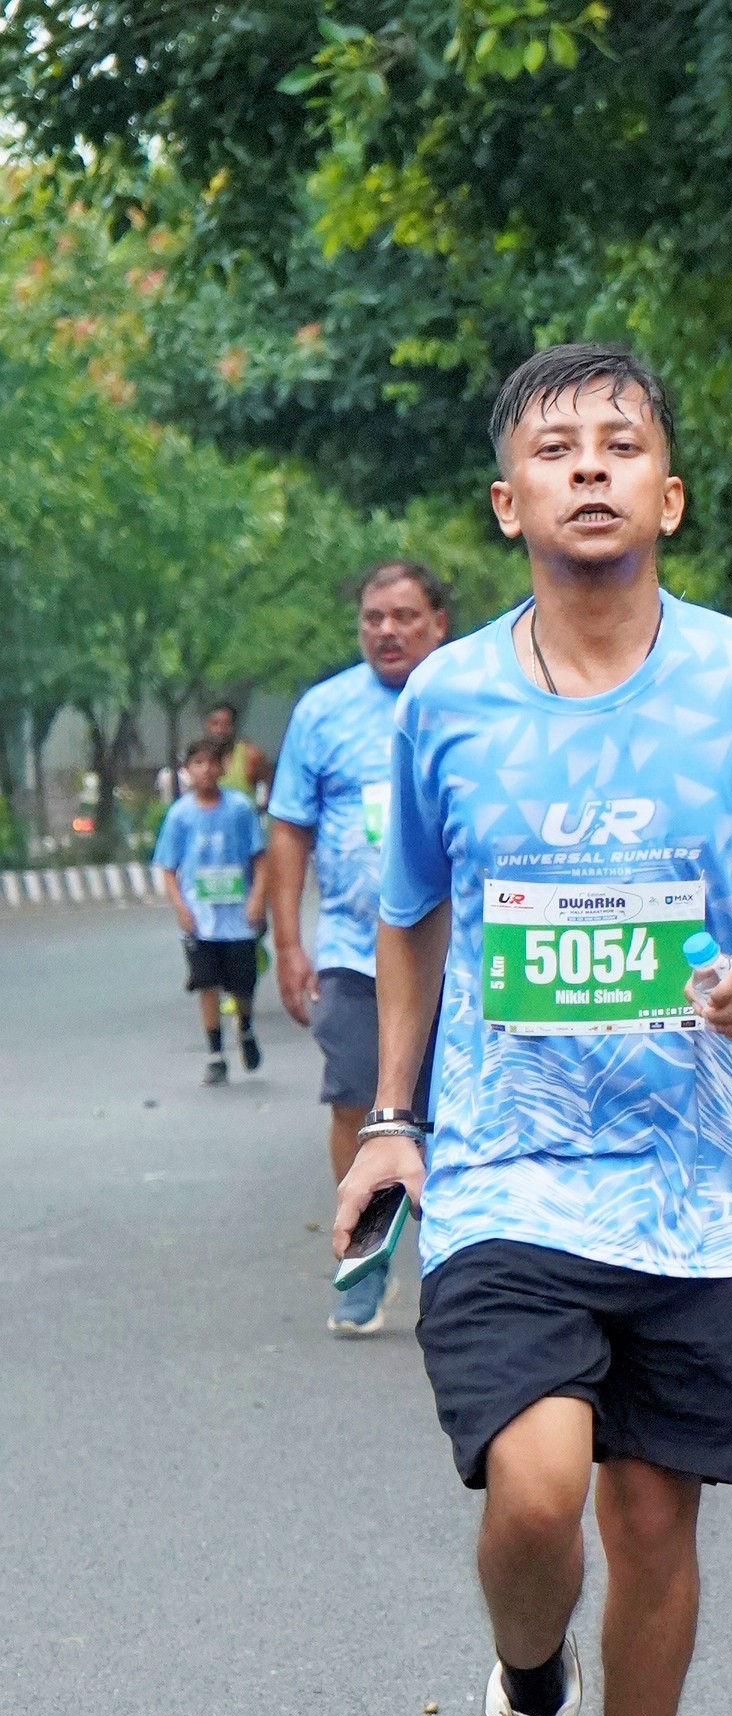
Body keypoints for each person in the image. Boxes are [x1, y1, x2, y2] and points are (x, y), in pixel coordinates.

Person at [333, 342, 732, 1716]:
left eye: (621, 445)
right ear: (509, 505)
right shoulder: (448, 703)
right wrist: (394, 1121)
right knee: (539, 1485)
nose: (589, 468)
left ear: (668, 496)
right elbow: (410, 918)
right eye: (555, 450)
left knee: (650, 1522)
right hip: (510, 1174)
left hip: (699, 1186)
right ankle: (527, 1701)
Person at [267, 562, 451, 1336]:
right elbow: (289, 826)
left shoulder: (469, 694)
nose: (387, 631)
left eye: (404, 616)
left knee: (456, 1109)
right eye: (373, 618)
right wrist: (287, 942)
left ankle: (458, 1270)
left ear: (438, 623)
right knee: (356, 1100)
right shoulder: (323, 710)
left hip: (464, 954)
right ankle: (365, 1261)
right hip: (353, 949)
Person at [152, 738, 266, 1085]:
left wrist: (257, 899)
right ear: (188, 771)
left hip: (238, 917)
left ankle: (245, 1027)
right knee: (207, 984)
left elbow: (260, 860)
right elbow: (168, 868)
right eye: (197, 763)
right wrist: (181, 908)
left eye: (211, 762)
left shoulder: (240, 809)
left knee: (242, 986)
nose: (205, 770)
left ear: (222, 768)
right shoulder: (180, 815)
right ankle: (216, 1054)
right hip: (200, 919)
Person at [203, 702, 274, 810]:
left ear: (234, 726)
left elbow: (269, 783)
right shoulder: (199, 758)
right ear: (207, 725)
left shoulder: (250, 755)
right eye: (215, 724)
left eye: (226, 724)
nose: (220, 730)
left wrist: (261, 807)